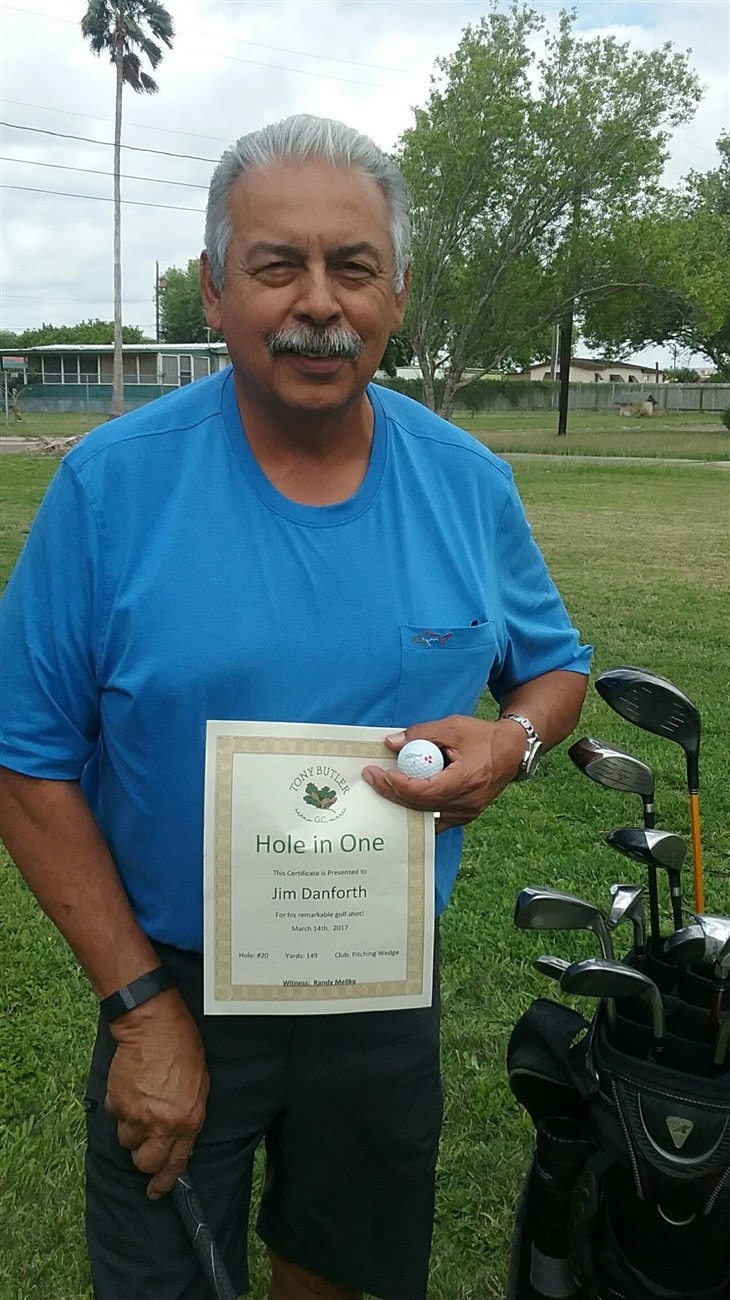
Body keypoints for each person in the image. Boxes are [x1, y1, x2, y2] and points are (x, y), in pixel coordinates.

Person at [0, 114, 591, 1300]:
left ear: (397, 294)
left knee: (343, 1273)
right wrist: (138, 1010)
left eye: (352, 267)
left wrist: (516, 741)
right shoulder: (110, 488)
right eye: (277, 266)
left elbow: (554, 669)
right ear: (216, 290)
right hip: (174, 984)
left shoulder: (468, 485)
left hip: (378, 989)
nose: (317, 303)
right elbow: (28, 759)